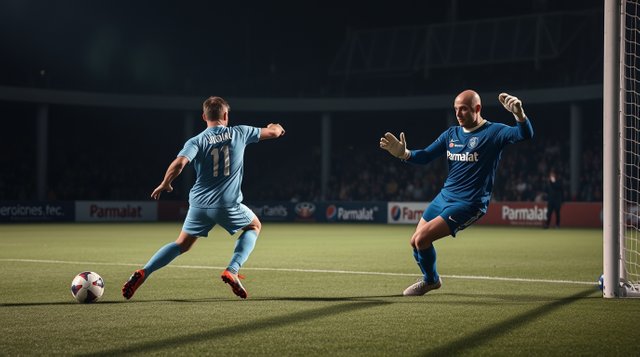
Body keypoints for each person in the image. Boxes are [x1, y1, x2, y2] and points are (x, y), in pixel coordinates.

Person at [122, 96, 285, 300]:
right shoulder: (240, 132)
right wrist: (275, 126)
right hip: (227, 204)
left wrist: (165, 183)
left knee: (181, 244)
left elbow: (179, 163)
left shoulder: (196, 140)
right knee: (254, 226)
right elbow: (274, 132)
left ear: (204, 116)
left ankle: (144, 272)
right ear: (225, 115)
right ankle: (232, 270)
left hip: (198, 204)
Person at [379, 90, 533, 296]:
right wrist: (404, 154)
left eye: (464, 109)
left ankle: (429, 281)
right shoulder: (451, 134)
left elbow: (524, 134)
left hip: (469, 203)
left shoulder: (494, 132)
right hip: (444, 196)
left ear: (477, 109)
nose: (458, 114)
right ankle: (432, 280)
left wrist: (519, 115)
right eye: (456, 109)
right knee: (414, 241)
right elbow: (425, 156)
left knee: (422, 239)